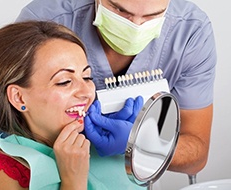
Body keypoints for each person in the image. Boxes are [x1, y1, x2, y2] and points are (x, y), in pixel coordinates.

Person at [16, 0, 217, 176]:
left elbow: (196, 156)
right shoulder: (45, 21)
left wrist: (141, 144)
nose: (136, 26)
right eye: (120, 11)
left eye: (152, 15)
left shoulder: (190, 31)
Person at [0, 21, 144, 189]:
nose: (86, 92)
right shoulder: (2, 176)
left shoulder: (100, 145)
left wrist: (137, 150)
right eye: (64, 82)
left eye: (87, 77)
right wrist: (72, 181)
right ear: (19, 98)